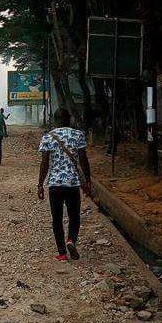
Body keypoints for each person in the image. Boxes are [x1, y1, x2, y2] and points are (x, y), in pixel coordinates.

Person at [37, 108, 92, 262]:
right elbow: (83, 160)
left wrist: (40, 185)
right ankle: (71, 240)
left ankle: (62, 253)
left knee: (57, 219)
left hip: (55, 184)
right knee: (74, 216)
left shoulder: (48, 137)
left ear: (55, 120)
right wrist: (88, 181)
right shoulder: (78, 135)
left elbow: (44, 163)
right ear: (69, 120)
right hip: (73, 184)